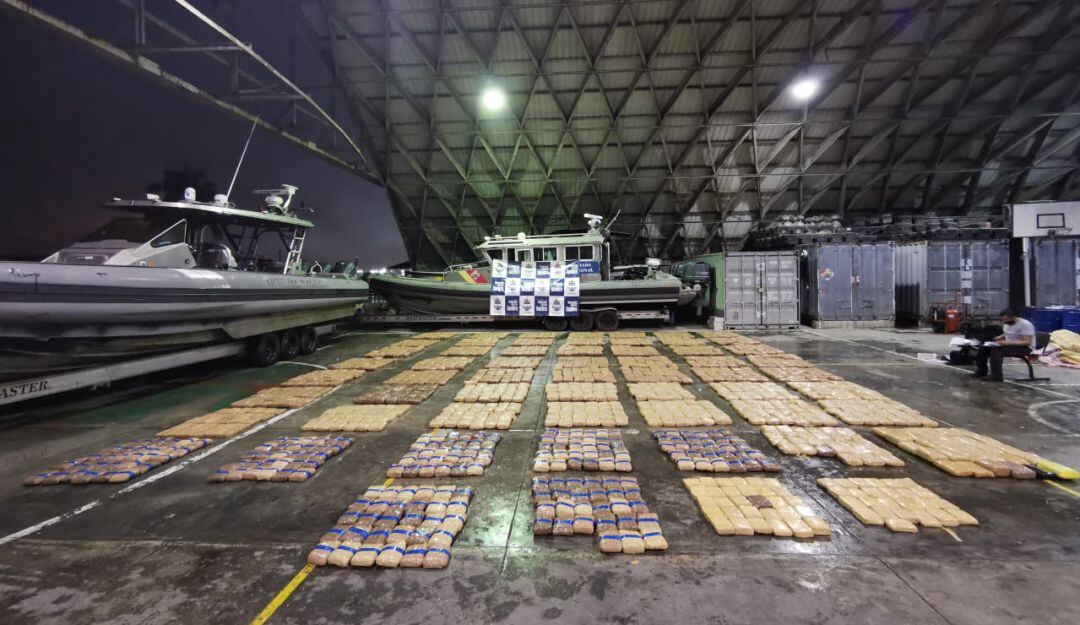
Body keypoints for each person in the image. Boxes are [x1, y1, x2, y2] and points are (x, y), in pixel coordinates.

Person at [971, 309, 1036, 382]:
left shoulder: (1025, 325)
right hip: (1010, 345)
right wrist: (999, 337)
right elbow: (1008, 333)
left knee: (996, 350)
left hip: (1025, 348)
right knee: (984, 348)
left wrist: (1007, 343)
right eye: (1003, 320)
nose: (1005, 322)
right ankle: (981, 371)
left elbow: (1027, 342)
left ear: (1013, 317)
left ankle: (996, 376)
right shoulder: (1007, 324)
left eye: (1006, 319)